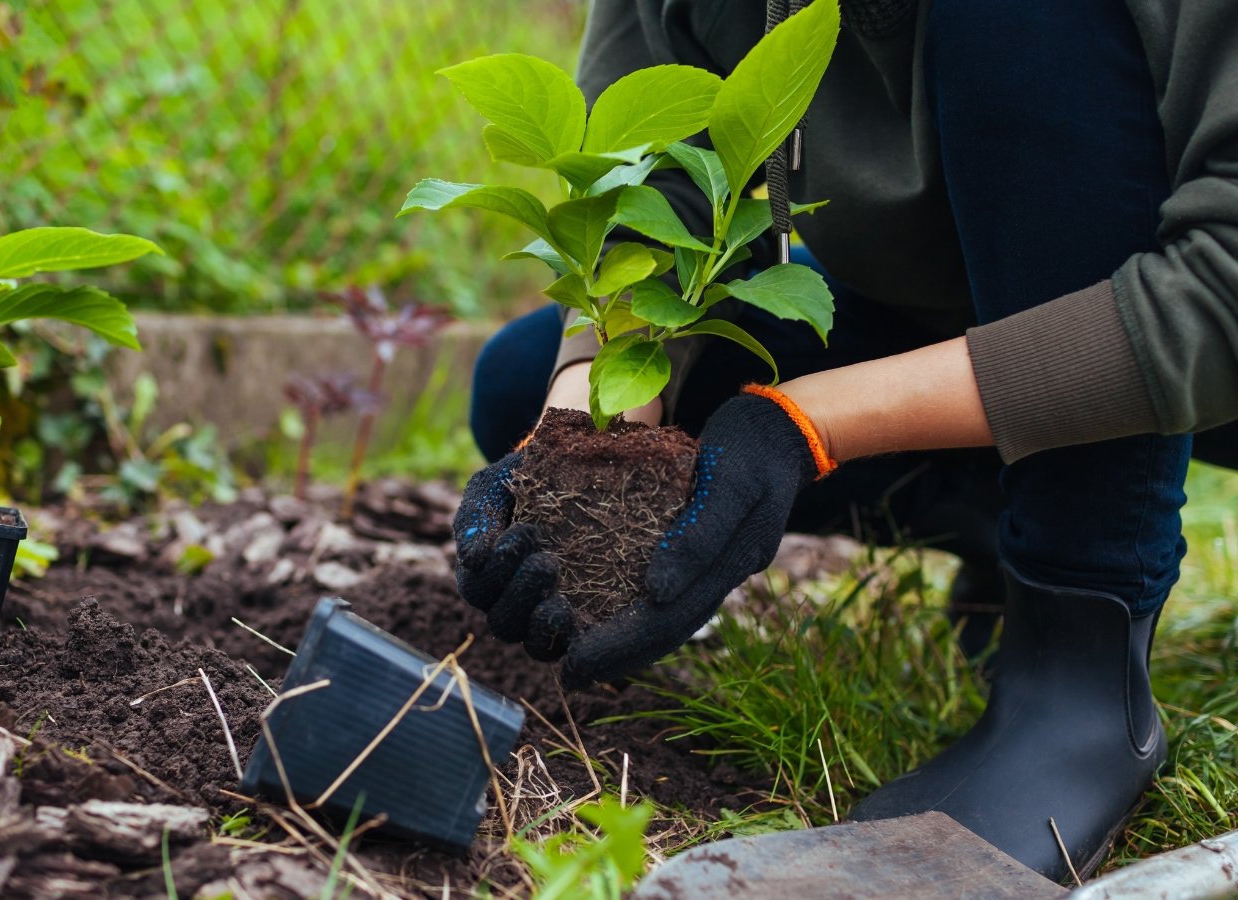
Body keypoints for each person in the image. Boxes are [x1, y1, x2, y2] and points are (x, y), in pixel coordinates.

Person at [453, 0, 1238, 884]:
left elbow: (1226, 285)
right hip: (958, 313)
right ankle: (997, 506)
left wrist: (808, 425)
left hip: (1189, 302)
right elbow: (652, 187)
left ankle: (1080, 660)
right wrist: (582, 452)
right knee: (531, 381)